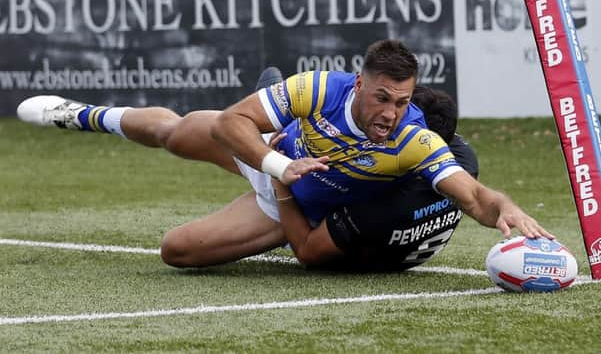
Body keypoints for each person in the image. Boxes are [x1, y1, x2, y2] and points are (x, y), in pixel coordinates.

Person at [17, 39, 552, 269]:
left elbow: (473, 195)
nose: (391, 112)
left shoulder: (415, 141)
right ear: (359, 84)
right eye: (382, 98)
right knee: (177, 133)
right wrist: (276, 163)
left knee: (176, 253)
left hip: (288, 204)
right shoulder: (321, 88)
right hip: (271, 154)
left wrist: (501, 208)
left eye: (403, 101)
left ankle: (264, 100)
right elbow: (231, 124)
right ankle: (82, 114)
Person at [271, 85, 479, 270]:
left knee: (261, 148)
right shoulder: (462, 159)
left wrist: (279, 180)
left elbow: (307, 251)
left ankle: (276, 123)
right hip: (398, 249)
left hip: (337, 239)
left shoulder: (381, 208)